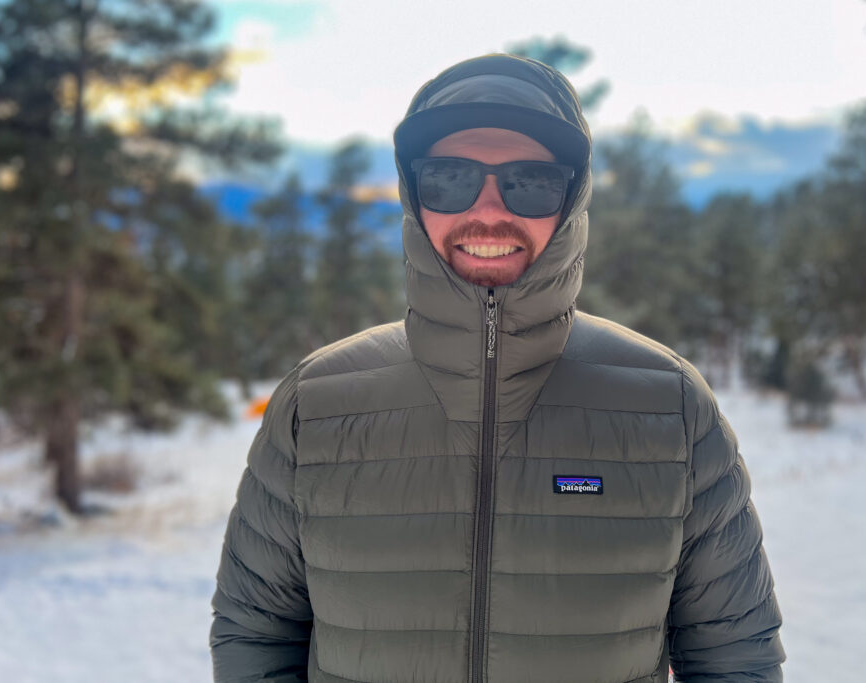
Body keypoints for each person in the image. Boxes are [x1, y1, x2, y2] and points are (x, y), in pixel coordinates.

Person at [210, 54, 785, 683]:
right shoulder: (318, 402)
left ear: (571, 201)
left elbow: (736, 654)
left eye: (530, 181)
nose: (487, 210)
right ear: (413, 194)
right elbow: (255, 633)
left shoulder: (668, 405)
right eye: (449, 177)